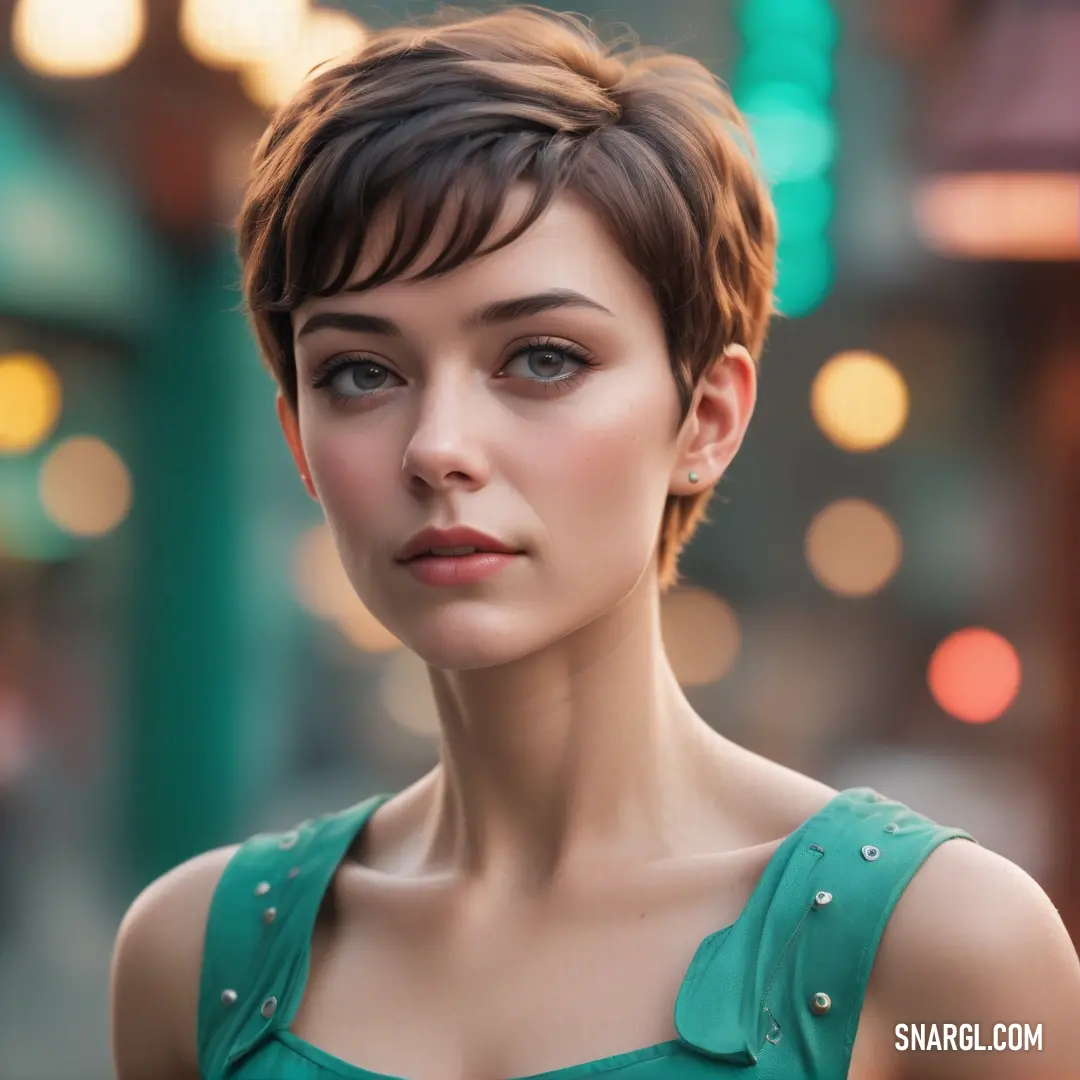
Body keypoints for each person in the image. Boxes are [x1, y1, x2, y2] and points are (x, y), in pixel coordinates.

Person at [109, 7, 1080, 1080]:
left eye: (541, 358)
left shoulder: (950, 952)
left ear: (706, 417)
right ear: (298, 435)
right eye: (361, 372)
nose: (438, 450)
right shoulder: (193, 959)